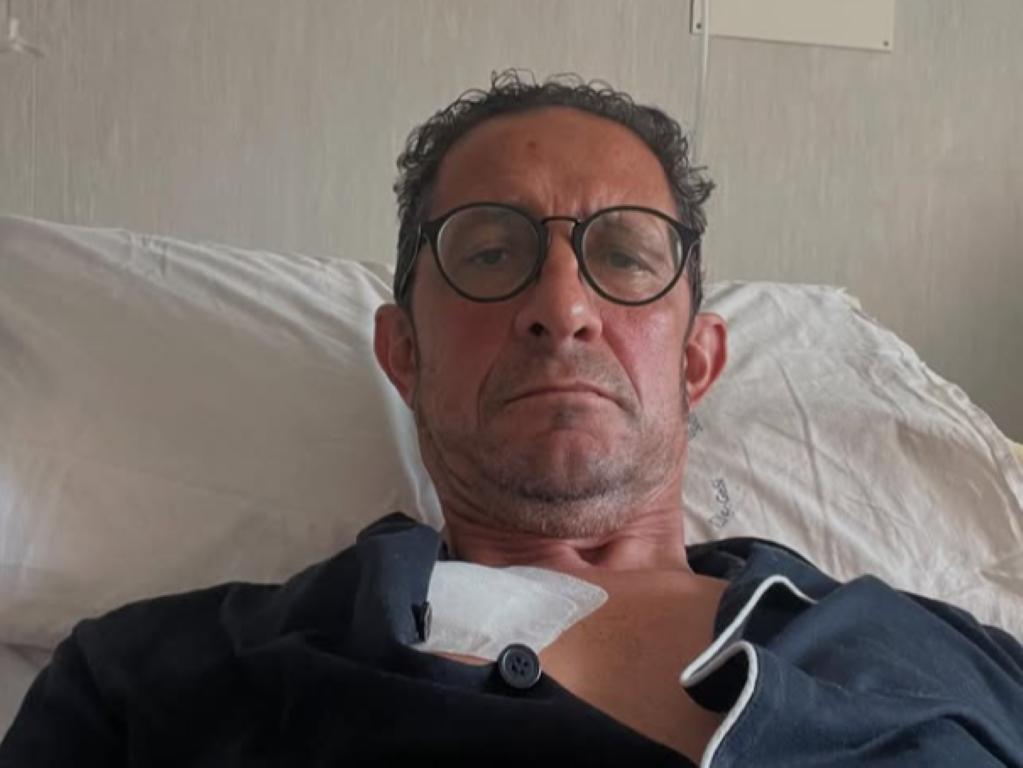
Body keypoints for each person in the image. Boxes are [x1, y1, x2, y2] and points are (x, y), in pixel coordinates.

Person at [2, 70, 1021, 767]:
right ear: (404, 353)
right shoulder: (159, 681)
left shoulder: (958, 660)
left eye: (623, 256)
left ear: (696, 362)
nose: (563, 305)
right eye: (490, 252)